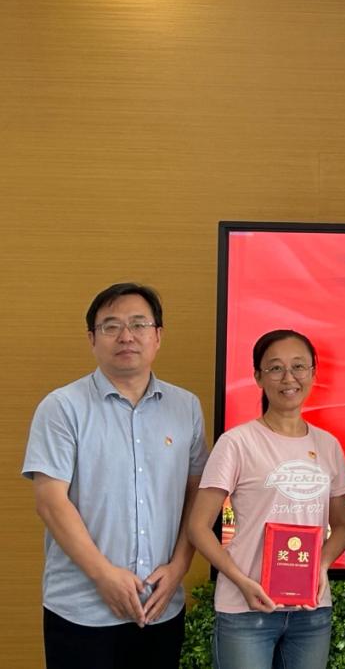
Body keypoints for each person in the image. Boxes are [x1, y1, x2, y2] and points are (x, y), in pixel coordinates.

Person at [22, 282, 208, 669]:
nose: (126, 336)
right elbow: (51, 502)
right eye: (111, 326)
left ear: (158, 336)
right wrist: (103, 575)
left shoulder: (186, 407)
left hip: (160, 606)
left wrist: (179, 567)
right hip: (82, 609)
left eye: (139, 324)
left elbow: (197, 495)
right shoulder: (62, 407)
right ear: (92, 338)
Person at [187, 329, 345, 669]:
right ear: (258, 377)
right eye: (276, 368)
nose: (289, 378)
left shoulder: (328, 446)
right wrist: (241, 581)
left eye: (299, 366)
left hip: (311, 611)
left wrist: (321, 566)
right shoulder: (237, 442)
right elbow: (198, 527)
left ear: (313, 373)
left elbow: (342, 525)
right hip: (245, 609)